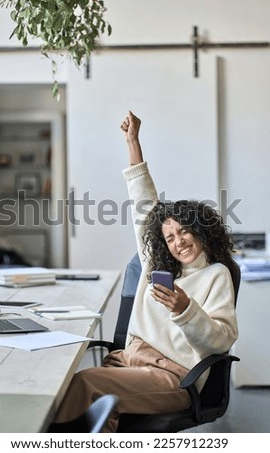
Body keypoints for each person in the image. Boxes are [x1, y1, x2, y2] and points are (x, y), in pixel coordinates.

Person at [52, 111, 238, 432]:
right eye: (169, 237)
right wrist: (132, 142)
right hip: (129, 361)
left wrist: (186, 311)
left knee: (86, 385)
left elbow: (220, 341)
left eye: (184, 232)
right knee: (67, 387)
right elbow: (144, 205)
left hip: (173, 377)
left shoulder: (217, 275)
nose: (178, 242)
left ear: (200, 230)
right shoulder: (157, 265)